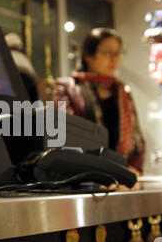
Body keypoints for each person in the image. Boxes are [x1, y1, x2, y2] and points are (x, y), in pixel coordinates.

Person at [53, 28, 145, 190]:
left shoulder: (122, 91)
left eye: (118, 52)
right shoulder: (66, 87)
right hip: (84, 181)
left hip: (123, 179)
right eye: (107, 52)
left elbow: (137, 138)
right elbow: (67, 135)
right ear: (89, 55)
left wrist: (133, 169)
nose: (114, 59)